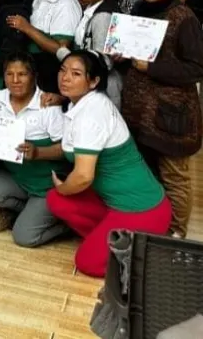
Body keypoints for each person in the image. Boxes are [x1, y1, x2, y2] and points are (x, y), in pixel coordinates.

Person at [46, 51, 172, 277]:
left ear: (93, 81)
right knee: (57, 200)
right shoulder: (82, 104)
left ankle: (141, 249)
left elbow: (84, 176)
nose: (65, 78)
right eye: (63, 70)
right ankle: (110, 238)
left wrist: (64, 186)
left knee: (86, 262)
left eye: (75, 74)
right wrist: (36, 153)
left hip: (141, 208)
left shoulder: (91, 114)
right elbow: (71, 149)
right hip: (111, 202)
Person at [120, 0, 203, 238]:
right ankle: (152, 229)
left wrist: (152, 67)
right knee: (147, 173)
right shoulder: (137, 11)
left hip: (170, 115)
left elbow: (200, 68)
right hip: (138, 112)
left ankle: (176, 235)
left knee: (174, 177)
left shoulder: (183, 17)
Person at [0, 54, 71, 247]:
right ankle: (30, 212)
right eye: (9, 74)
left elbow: (66, 150)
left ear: (33, 76)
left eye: (22, 74)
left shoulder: (48, 105)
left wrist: (38, 153)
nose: (15, 80)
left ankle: (67, 224)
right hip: (17, 178)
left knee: (24, 237)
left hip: (46, 185)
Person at [47, 0, 123, 108]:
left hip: (101, 90)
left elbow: (104, 62)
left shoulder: (103, 15)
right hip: (89, 87)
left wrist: (62, 52)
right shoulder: (92, 7)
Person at [7, 0, 82, 93]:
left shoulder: (66, 4)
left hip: (51, 74)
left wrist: (27, 28)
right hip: (33, 70)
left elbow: (62, 50)